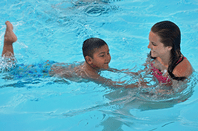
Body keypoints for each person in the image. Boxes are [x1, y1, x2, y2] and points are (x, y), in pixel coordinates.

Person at [2, 21, 132, 88]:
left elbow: (110, 69)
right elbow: (111, 84)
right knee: (8, 74)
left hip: (51, 66)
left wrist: (129, 73)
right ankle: (8, 42)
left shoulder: (94, 65)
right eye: (102, 55)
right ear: (89, 60)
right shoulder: (88, 73)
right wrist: (136, 86)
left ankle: (8, 41)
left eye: (108, 53)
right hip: (44, 73)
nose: (108, 58)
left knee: (10, 69)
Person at [147, 20, 193, 85]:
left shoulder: (180, 71)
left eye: (154, 44)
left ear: (168, 47)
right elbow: (146, 72)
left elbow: (179, 94)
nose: (148, 46)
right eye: (149, 41)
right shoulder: (155, 54)